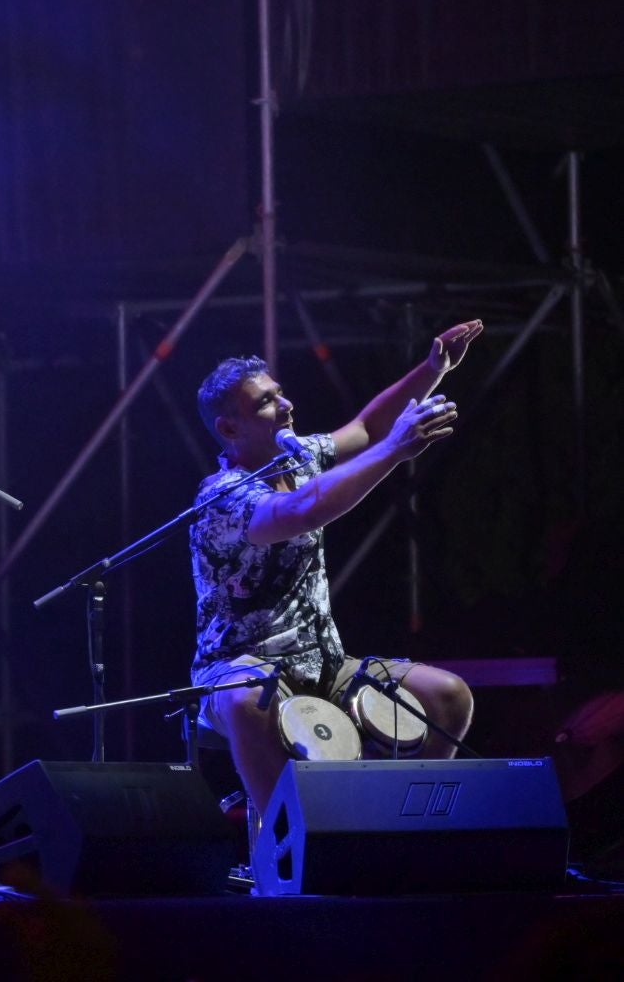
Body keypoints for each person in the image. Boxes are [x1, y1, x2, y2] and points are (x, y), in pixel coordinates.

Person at [190, 319, 484, 811]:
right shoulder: (222, 497)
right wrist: (395, 450)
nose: (285, 405)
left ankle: (404, 824)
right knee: (246, 700)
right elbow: (302, 510)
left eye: (279, 393)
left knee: (448, 695)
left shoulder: (297, 455)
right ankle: (286, 843)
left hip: (323, 662)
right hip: (240, 669)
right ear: (228, 429)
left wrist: (432, 369)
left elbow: (367, 428)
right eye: (265, 402)